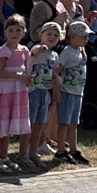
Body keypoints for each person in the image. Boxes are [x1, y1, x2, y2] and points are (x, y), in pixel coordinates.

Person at [0, 14, 32, 171]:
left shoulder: (24, 50)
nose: (14, 33)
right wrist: (17, 76)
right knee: (0, 122)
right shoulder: (3, 51)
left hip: (18, 91)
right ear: (5, 32)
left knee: (10, 123)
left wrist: (27, 78)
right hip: (5, 90)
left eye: (18, 30)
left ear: (24, 32)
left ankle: (4, 156)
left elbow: (25, 68)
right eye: (11, 30)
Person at [52, 19, 90, 164]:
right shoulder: (67, 53)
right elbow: (57, 71)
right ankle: (61, 150)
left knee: (73, 123)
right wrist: (57, 88)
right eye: (83, 36)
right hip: (67, 91)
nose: (86, 39)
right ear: (73, 36)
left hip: (77, 91)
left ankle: (73, 149)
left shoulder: (79, 51)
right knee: (64, 122)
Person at [25, 19, 62, 167]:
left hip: (44, 92)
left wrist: (56, 79)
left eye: (55, 35)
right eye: (49, 34)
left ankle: (34, 150)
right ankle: (26, 148)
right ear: (40, 35)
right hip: (32, 90)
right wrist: (40, 48)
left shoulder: (54, 55)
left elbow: (52, 72)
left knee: (40, 122)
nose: (52, 37)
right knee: (31, 122)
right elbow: (33, 52)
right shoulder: (37, 48)